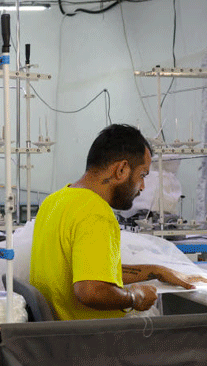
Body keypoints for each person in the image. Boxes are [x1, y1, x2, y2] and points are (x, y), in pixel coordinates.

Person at [30, 123, 206, 320]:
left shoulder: (55, 201)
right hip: (93, 335)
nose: (142, 186)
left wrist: (157, 271)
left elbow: (91, 272)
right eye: (142, 175)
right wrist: (134, 297)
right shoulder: (95, 212)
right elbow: (90, 291)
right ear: (121, 170)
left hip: (59, 332)